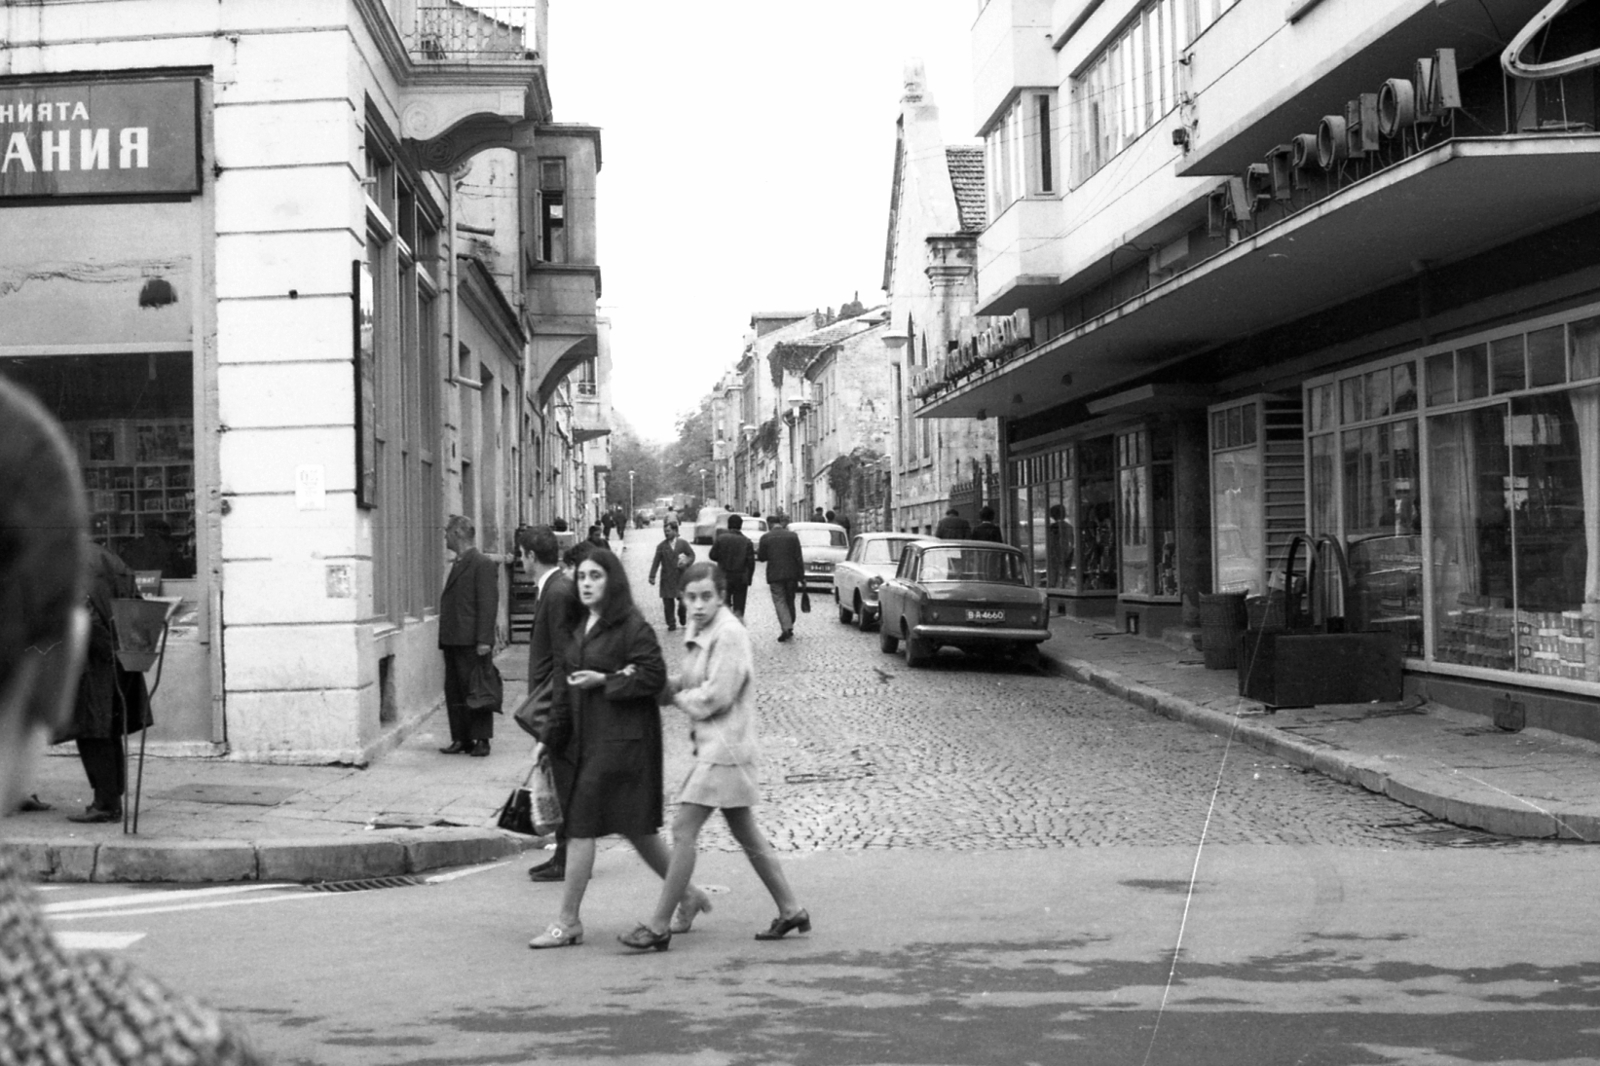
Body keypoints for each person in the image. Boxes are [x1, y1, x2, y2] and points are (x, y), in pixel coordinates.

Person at [0, 377, 264, 1063]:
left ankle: (106, 799)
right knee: (103, 742)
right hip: (107, 669)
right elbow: (129, 604)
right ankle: (108, 798)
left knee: (98, 744)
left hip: (98, 674)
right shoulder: (152, 1043)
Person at [619, 561, 808, 951]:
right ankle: (791, 910)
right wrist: (656, 686)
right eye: (691, 597)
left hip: (726, 748)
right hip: (716, 746)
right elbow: (692, 681)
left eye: (706, 596)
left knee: (683, 831)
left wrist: (673, 697)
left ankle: (658, 926)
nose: (698, 604)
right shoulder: (701, 628)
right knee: (746, 832)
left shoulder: (730, 633)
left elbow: (716, 696)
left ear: (721, 595)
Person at [529, 548, 695, 949]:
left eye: (596, 576)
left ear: (612, 581)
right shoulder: (577, 627)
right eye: (582, 576)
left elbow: (654, 677)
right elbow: (565, 692)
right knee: (637, 830)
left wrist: (605, 681)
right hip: (588, 739)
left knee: (581, 822)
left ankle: (568, 921)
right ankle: (687, 895)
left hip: (625, 742)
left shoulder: (632, 627)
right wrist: (547, 739)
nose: (586, 583)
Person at [58, 543, 153, 823]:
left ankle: (106, 803)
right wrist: (124, 650)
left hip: (93, 658)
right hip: (119, 652)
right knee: (108, 729)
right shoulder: (110, 558)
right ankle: (112, 797)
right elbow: (136, 602)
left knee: (92, 731)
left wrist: (105, 649)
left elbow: (82, 610)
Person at [519, 526, 582, 883]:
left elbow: (563, 658)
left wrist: (555, 715)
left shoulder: (556, 592)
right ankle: (563, 853)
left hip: (555, 704)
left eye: (521, 554)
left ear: (529, 555)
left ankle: (567, 857)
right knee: (558, 778)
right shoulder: (554, 587)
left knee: (563, 778)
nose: (520, 559)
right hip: (552, 701)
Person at [438, 514, 498, 757]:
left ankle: (482, 739)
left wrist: (485, 639)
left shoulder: (481, 563)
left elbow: (488, 603)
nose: (445, 537)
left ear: (458, 534)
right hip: (453, 638)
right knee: (454, 690)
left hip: (472, 640)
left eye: (447, 533)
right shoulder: (459, 562)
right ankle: (461, 738)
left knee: (476, 689)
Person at [756, 513, 804, 642]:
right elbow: (798, 557)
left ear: (769, 524)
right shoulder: (793, 536)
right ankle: (790, 624)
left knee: (779, 601)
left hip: (775, 574)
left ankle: (786, 626)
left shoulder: (766, 537)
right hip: (792, 574)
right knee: (790, 600)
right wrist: (802, 576)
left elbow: (761, 557)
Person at [647, 520, 695, 631]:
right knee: (668, 603)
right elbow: (656, 561)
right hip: (667, 577)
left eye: (668, 531)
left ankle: (682, 614)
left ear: (675, 530)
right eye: (665, 531)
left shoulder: (683, 544)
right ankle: (671, 623)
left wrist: (686, 562)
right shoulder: (661, 546)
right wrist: (652, 576)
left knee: (683, 601)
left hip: (681, 577)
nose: (666, 533)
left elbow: (692, 555)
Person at [709, 514, 756, 619]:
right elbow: (751, 563)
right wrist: (748, 579)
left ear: (728, 525)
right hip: (740, 578)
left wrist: (722, 558)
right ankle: (737, 627)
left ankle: (725, 626)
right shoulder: (746, 541)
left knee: (724, 605)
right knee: (739, 607)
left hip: (723, 576)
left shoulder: (721, 539)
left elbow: (712, 555)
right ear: (741, 525)